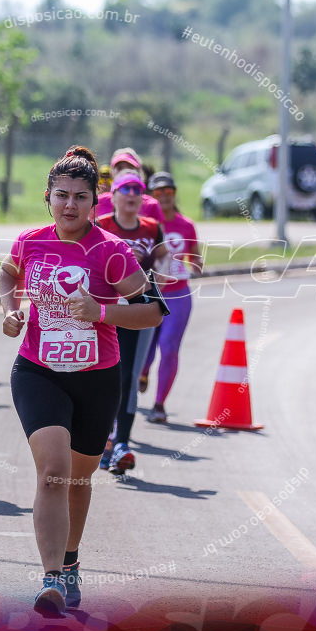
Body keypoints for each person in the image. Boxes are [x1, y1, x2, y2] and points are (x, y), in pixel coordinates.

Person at [0, 146, 164, 616]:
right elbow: (9, 275)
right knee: (52, 472)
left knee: (77, 477)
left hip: (95, 378)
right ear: (47, 198)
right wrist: (11, 311)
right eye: (61, 195)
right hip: (38, 371)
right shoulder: (31, 242)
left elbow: (152, 311)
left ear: (97, 203)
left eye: (80, 197)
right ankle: (51, 577)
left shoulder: (111, 252)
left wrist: (102, 311)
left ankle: (71, 560)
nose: (69, 205)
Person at [96, 171, 168, 474]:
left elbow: (164, 260)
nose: (131, 194)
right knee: (101, 375)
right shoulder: (101, 225)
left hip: (138, 312)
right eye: (124, 188)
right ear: (112, 195)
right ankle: (101, 440)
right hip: (104, 311)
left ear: (143, 197)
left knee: (128, 377)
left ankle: (122, 443)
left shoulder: (152, 228)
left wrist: (160, 273)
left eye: (137, 189)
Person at [140, 172, 203, 422]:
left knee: (168, 348)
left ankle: (159, 404)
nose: (165, 197)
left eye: (169, 192)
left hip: (178, 294)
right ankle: (142, 372)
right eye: (159, 193)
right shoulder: (144, 224)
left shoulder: (185, 225)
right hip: (148, 293)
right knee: (145, 349)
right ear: (151, 197)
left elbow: (197, 262)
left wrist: (189, 267)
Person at [93, 149, 163, 222]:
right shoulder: (99, 201)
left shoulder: (151, 205)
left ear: (139, 172)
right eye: (120, 168)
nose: (125, 171)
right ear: (112, 173)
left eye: (130, 167)